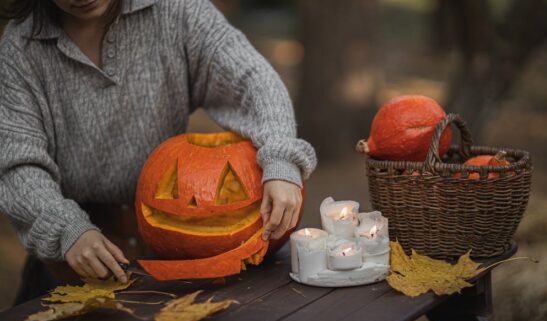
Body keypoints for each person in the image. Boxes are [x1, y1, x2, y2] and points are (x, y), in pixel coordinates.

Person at [0, 0, 316, 292]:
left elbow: (253, 79)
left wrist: (281, 156)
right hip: (71, 260)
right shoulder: (19, 50)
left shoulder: (176, 10)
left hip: (173, 252)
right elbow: (17, 164)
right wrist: (65, 229)